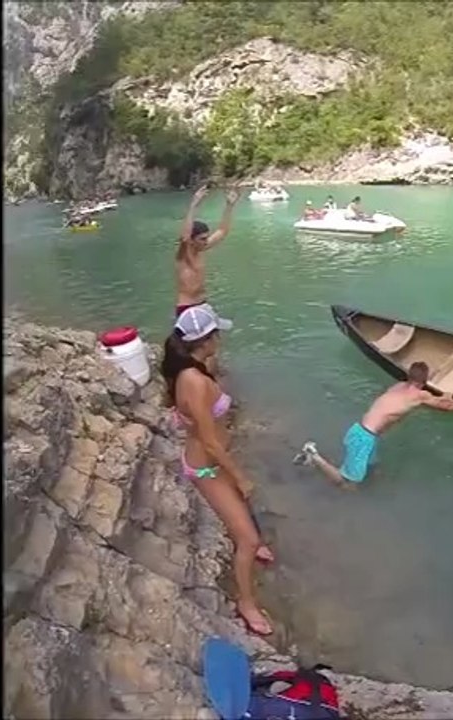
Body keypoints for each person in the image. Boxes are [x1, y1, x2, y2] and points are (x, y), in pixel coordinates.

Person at [160, 305, 274, 636]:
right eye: (216, 334)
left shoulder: (193, 368)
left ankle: (253, 546)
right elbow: (209, 443)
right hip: (207, 467)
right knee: (248, 539)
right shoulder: (194, 381)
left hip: (215, 460)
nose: (220, 338)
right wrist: (239, 476)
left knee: (242, 510)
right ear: (206, 340)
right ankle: (247, 603)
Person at [293, 362, 453, 487]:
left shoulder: (398, 386)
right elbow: (443, 406)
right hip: (364, 438)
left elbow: (438, 399)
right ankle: (313, 455)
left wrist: (447, 396)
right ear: (425, 381)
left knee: (374, 469)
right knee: (346, 484)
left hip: (361, 431)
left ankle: (368, 484)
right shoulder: (420, 395)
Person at [176, 185, 239, 320]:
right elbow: (185, 236)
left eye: (206, 238)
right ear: (192, 240)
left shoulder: (201, 248)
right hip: (187, 307)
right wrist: (194, 205)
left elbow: (222, 231)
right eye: (202, 239)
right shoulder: (184, 256)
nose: (206, 241)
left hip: (202, 303)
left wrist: (229, 206)